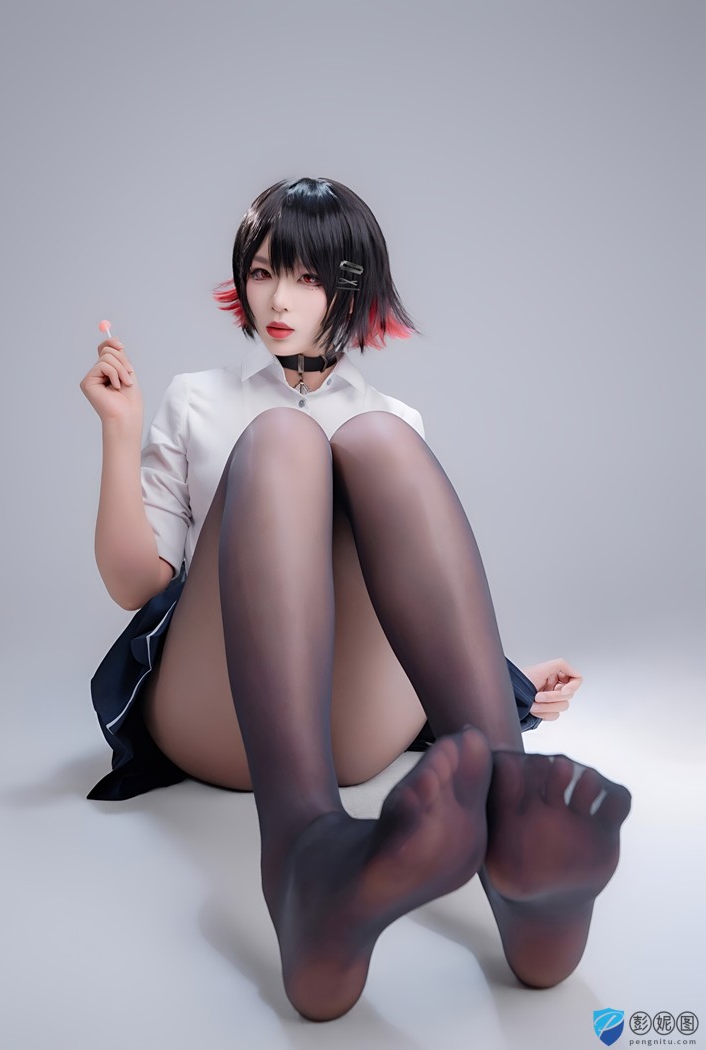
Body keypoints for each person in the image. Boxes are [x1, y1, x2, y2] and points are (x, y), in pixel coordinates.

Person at [80, 176, 631, 1022]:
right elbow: (136, 585)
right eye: (263, 271)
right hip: (219, 714)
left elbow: (399, 606)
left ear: (352, 291)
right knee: (282, 441)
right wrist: (121, 432)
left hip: (359, 724)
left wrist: (507, 679)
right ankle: (303, 845)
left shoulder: (392, 415)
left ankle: (513, 830)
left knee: (378, 440)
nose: (278, 298)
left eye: (307, 278)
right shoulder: (199, 399)